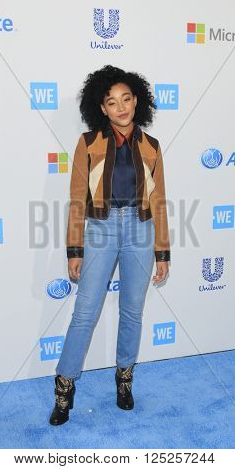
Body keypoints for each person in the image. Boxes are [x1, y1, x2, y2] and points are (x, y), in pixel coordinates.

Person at [49, 64, 171, 425]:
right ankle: (64, 388)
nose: (121, 107)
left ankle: (124, 379)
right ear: (100, 108)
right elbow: (76, 199)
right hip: (99, 229)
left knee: (132, 311)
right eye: (111, 101)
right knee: (85, 313)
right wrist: (75, 250)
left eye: (127, 99)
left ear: (138, 101)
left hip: (141, 229)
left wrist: (162, 251)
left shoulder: (151, 147)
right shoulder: (88, 143)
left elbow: (159, 199)